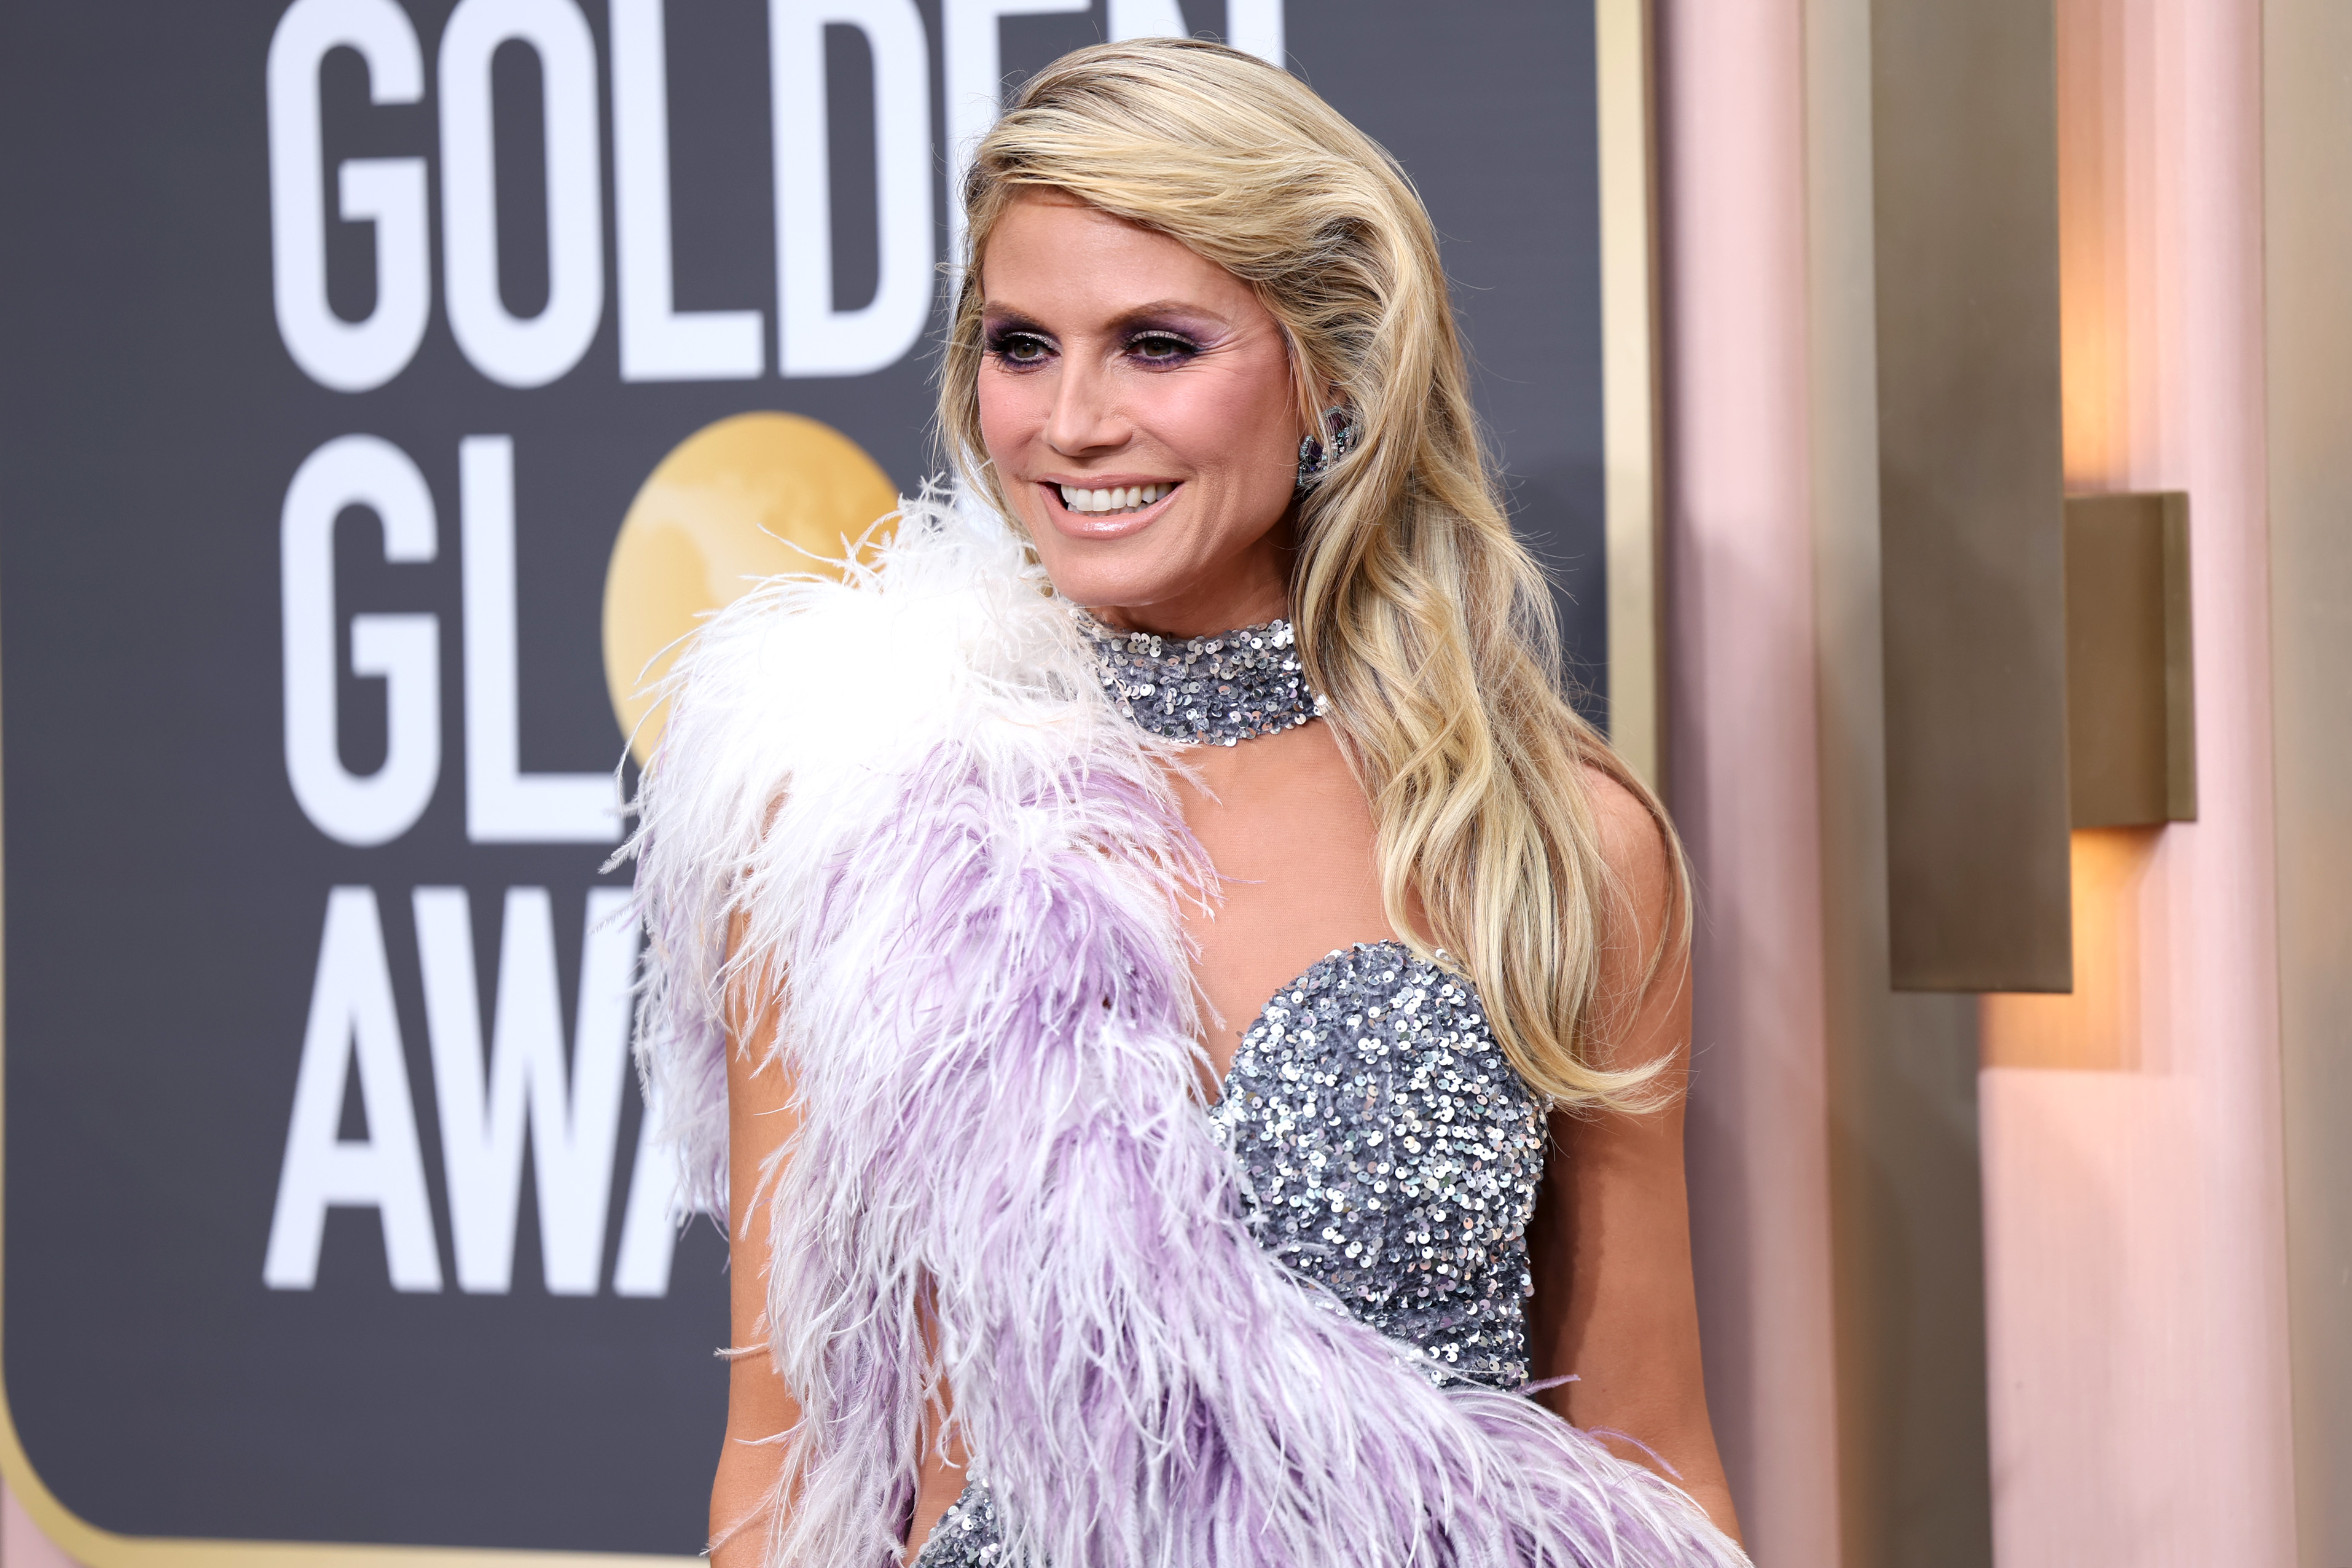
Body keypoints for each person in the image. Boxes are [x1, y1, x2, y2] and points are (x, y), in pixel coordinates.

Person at [627, 37, 1746, 1568]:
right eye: (1022, 345)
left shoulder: (1552, 845)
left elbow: (1647, 1457)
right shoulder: (850, 825)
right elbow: (784, 1470)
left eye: (1157, 344)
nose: (1073, 421)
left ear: (1330, 369)